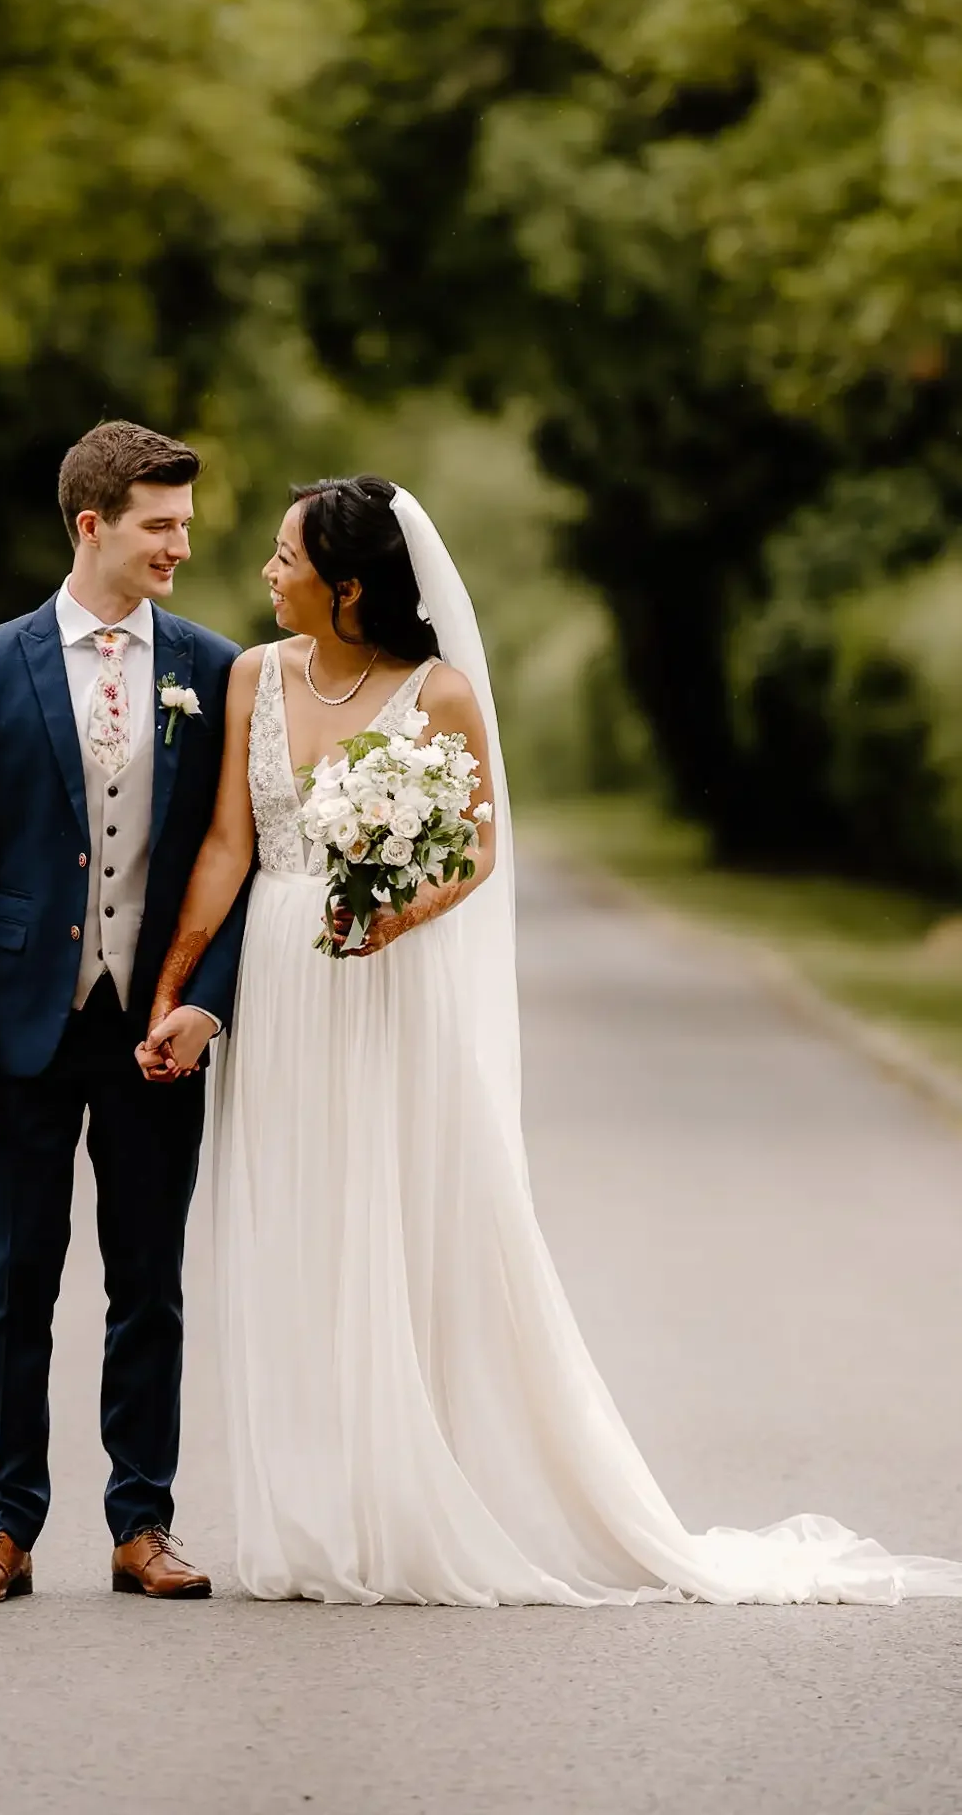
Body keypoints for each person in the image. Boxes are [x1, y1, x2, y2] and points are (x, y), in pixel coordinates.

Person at [141, 474, 962, 1606]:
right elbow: (230, 843)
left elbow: (473, 853)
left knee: (394, 1224)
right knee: (295, 1224)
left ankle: (404, 1500)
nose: (267, 574)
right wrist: (177, 986)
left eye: (286, 557)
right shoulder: (250, 677)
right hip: (281, 979)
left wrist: (398, 911)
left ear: (349, 585)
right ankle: (312, 1512)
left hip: (384, 982)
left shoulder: (439, 693)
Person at [0, 420, 246, 1605]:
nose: (181, 544)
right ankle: (2, 1528)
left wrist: (203, 1004)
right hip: (19, 1028)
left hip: (151, 1030)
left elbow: (235, 858)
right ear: (92, 524)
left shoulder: (215, 669)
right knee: (20, 1275)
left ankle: (141, 1524)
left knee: (148, 1280)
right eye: (161, 524)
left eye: (186, 524)